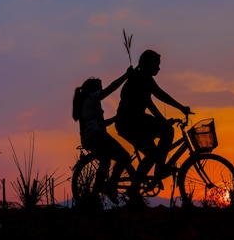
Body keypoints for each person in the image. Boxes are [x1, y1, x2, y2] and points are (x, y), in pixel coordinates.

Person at [115, 49, 191, 184]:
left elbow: (159, 95)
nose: (159, 68)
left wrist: (180, 108)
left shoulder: (145, 78)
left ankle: (146, 178)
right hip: (130, 123)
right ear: (149, 65)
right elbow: (151, 101)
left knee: (156, 147)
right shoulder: (139, 79)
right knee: (161, 140)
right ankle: (155, 173)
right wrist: (165, 119)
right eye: (157, 65)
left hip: (135, 121)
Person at [73, 66, 134, 202]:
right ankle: (111, 186)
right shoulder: (92, 98)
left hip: (90, 138)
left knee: (105, 161)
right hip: (97, 136)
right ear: (95, 89)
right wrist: (126, 76)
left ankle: (95, 194)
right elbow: (110, 89)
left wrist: (114, 119)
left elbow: (96, 123)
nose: (101, 90)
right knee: (124, 157)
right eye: (100, 88)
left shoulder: (85, 103)